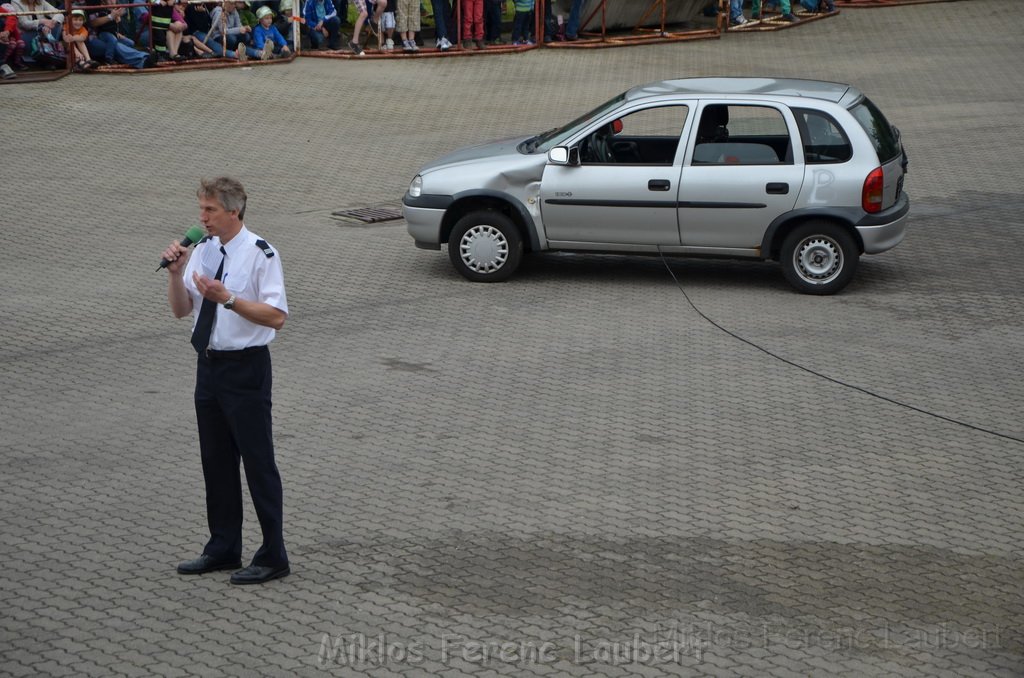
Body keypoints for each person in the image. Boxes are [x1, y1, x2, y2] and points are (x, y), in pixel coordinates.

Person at [162, 177, 290, 586]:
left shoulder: (260, 254)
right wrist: (176, 273)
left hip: (246, 369)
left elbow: (277, 317)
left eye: (210, 211)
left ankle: (274, 554)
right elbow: (182, 311)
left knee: (257, 462)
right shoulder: (201, 250)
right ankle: (223, 547)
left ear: (234, 211)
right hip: (209, 367)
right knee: (215, 462)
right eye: (201, 209)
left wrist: (229, 299)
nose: (201, 218)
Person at [85, 0, 152, 68]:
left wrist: (117, 32)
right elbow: (92, 23)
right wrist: (111, 16)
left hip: (109, 35)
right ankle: (143, 58)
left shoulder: (112, 6)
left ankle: (143, 60)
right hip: (93, 39)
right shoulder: (92, 3)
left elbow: (113, 25)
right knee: (115, 45)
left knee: (129, 43)